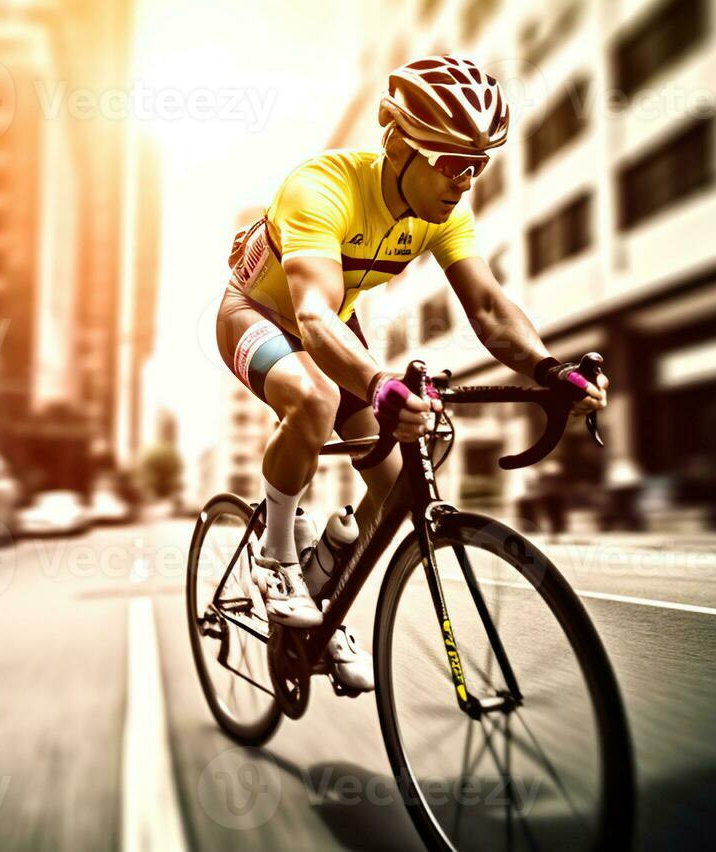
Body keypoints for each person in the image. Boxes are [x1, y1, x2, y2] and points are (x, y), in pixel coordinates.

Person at [214, 55, 609, 692]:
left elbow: (485, 306)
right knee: (314, 399)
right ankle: (277, 557)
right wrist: (377, 384)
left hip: (337, 329)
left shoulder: (443, 213)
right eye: (453, 163)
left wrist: (548, 367)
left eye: (478, 165)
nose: (466, 181)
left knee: (395, 485)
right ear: (398, 144)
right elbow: (313, 312)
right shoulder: (322, 188)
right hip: (259, 314)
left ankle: (320, 598)